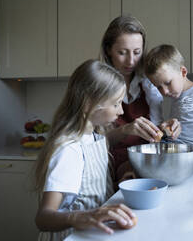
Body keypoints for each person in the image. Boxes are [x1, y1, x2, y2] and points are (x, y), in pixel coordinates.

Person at [34, 59, 136, 240]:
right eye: (116, 103)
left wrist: (118, 184)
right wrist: (78, 217)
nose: (121, 111)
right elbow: (43, 218)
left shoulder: (94, 137)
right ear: (89, 104)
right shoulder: (69, 150)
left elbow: (89, 190)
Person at [99, 15, 181, 182]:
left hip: (146, 165)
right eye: (122, 53)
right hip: (110, 169)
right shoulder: (98, 85)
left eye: (137, 52)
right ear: (108, 50)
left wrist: (166, 129)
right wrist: (126, 129)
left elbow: (156, 134)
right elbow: (93, 143)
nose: (131, 61)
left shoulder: (149, 85)